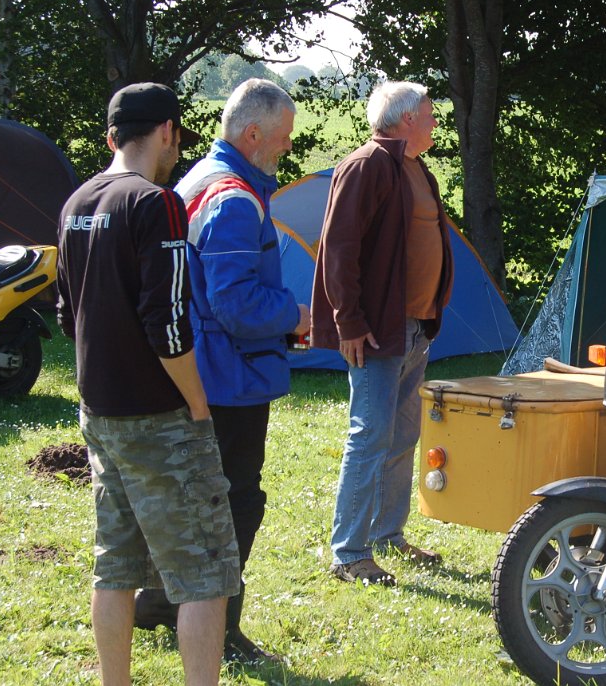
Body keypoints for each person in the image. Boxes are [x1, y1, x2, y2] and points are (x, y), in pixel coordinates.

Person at [56, 83, 239, 685]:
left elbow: (66, 314)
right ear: (167, 131)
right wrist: (196, 404)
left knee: (116, 567)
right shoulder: (157, 204)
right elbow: (169, 320)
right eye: (177, 137)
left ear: (111, 136)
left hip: (98, 414)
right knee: (205, 576)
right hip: (158, 420)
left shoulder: (75, 202)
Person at [132, 78, 309, 662]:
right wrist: (293, 315)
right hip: (228, 379)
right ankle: (223, 631)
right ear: (253, 134)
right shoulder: (234, 199)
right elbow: (235, 303)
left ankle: (160, 602)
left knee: (194, 495)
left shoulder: (195, 180)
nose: (286, 149)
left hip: (195, 370)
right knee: (235, 502)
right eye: (281, 139)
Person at [310, 80, 454, 587]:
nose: (436, 123)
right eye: (431, 114)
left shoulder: (413, 166)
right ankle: (349, 552)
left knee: (403, 434)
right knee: (370, 435)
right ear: (407, 117)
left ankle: (388, 535)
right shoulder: (367, 164)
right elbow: (338, 249)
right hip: (377, 332)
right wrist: (348, 321)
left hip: (414, 327)